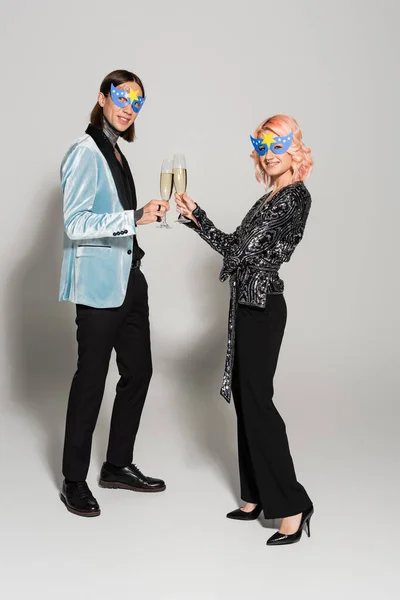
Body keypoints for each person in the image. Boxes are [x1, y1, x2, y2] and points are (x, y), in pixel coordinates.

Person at [175, 114, 314, 546]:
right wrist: (196, 220)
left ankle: (291, 504)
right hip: (245, 304)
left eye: (278, 147)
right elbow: (239, 246)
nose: (269, 156)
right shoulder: (270, 195)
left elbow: (239, 250)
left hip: (263, 308)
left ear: (294, 151)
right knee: (244, 397)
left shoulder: (293, 198)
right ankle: (255, 493)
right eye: (263, 147)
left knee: (258, 401)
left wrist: (198, 216)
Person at [59, 69, 169, 517]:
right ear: (102, 98)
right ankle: (73, 480)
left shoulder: (117, 153)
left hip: (130, 279)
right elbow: (75, 223)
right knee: (91, 381)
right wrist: (134, 216)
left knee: (138, 372)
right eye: (121, 97)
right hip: (100, 286)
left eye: (137, 102)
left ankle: (117, 465)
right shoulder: (86, 152)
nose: (128, 107)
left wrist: (141, 221)